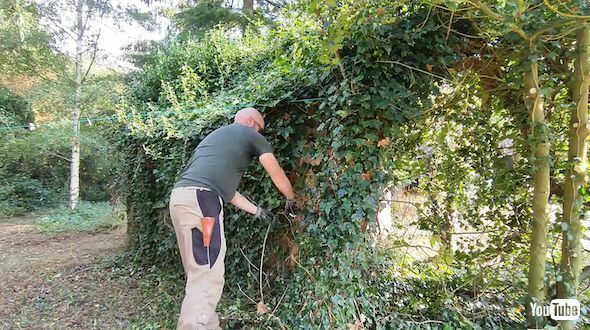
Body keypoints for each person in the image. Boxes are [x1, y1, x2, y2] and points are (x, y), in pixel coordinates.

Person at [168, 107, 297, 330]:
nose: (260, 134)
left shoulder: (216, 139)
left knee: (199, 270)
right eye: (259, 128)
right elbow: (275, 171)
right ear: (250, 122)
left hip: (181, 199)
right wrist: (291, 198)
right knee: (207, 273)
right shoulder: (249, 134)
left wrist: (257, 211)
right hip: (203, 203)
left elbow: (226, 191)